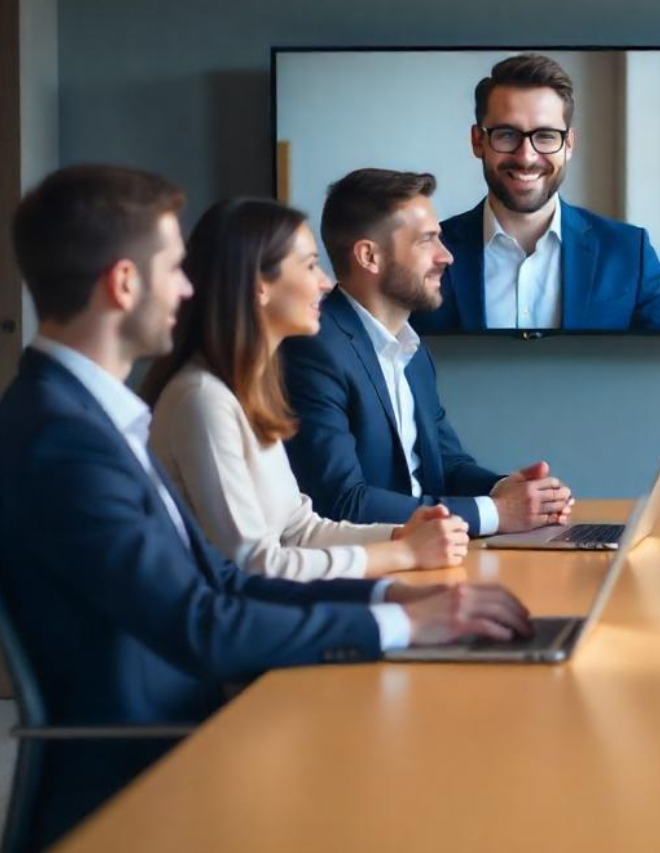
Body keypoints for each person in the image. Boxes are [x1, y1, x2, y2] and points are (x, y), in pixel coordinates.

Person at [0, 166, 532, 850]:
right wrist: (403, 623)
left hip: (204, 718)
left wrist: (390, 598)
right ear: (124, 284)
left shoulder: (87, 418)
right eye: (174, 269)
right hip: (160, 762)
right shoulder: (63, 440)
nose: (189, 289)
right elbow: (203, 625)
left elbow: (218, 581)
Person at [143, 198, 471, 580]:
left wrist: (403, 535)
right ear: (259, 286)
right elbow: (252, 565)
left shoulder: (248, 392)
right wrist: (403, 555)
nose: (326, 282)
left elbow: (301, 529)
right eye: (310, 265)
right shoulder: (202, 399)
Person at [282, 168, 574, 533]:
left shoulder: (413, 350)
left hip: (432, 552)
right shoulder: (314, 350)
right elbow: (342, 501)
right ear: (369, 256)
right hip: (372, 569)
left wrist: (506, 490)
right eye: (427, 241)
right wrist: (497, 513)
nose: (446, 256)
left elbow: (447, 466)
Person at [411, 52, 660, 331]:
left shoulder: (628, 252)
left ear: (568, 144)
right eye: (507, 134)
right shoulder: (423, 253)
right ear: (478, 141)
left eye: (545, 136)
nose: (527, 157)